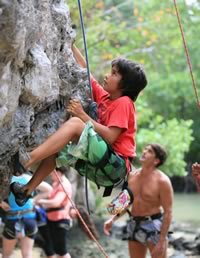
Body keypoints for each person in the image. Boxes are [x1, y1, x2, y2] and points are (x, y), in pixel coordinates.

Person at [10, 44, 148, 206]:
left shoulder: (124, 103)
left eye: (114, 74)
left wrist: (81, 115)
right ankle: (26, 191)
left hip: (115, 165)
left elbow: (111, 136)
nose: (107, 75)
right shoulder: (106, 98)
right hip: (104, 163)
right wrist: (71, 45)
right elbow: (86, 72)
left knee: (75, 123)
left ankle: (27, 160)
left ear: (125, 85)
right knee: (56, 148)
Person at [104, 143, 174, 258]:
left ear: (156, 160)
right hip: (134, 223)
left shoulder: (162, 181)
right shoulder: (132, 175)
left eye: (150, 151)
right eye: (145, 149)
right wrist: (112, 219)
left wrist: (162, 241)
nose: (144, 152)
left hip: (153, 225)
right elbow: (127, 202)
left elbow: (168, 212)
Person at [0, 171, 52, 258]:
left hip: (13, 220)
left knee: (6, 255)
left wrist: (1, 203)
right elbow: (49, 189)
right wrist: (34, 200)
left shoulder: (8, 180)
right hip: (29, 220)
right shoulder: (29, 179)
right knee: (27, 255)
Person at [34, 166, 73, 258]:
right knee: (56, 249)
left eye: (52, 173)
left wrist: (37, 201)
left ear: (58, 173)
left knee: (62, 251)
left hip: (61, 220)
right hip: (52, 219)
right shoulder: (57, 184)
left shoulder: (64, 185)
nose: (51, 175)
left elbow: (56, 203)